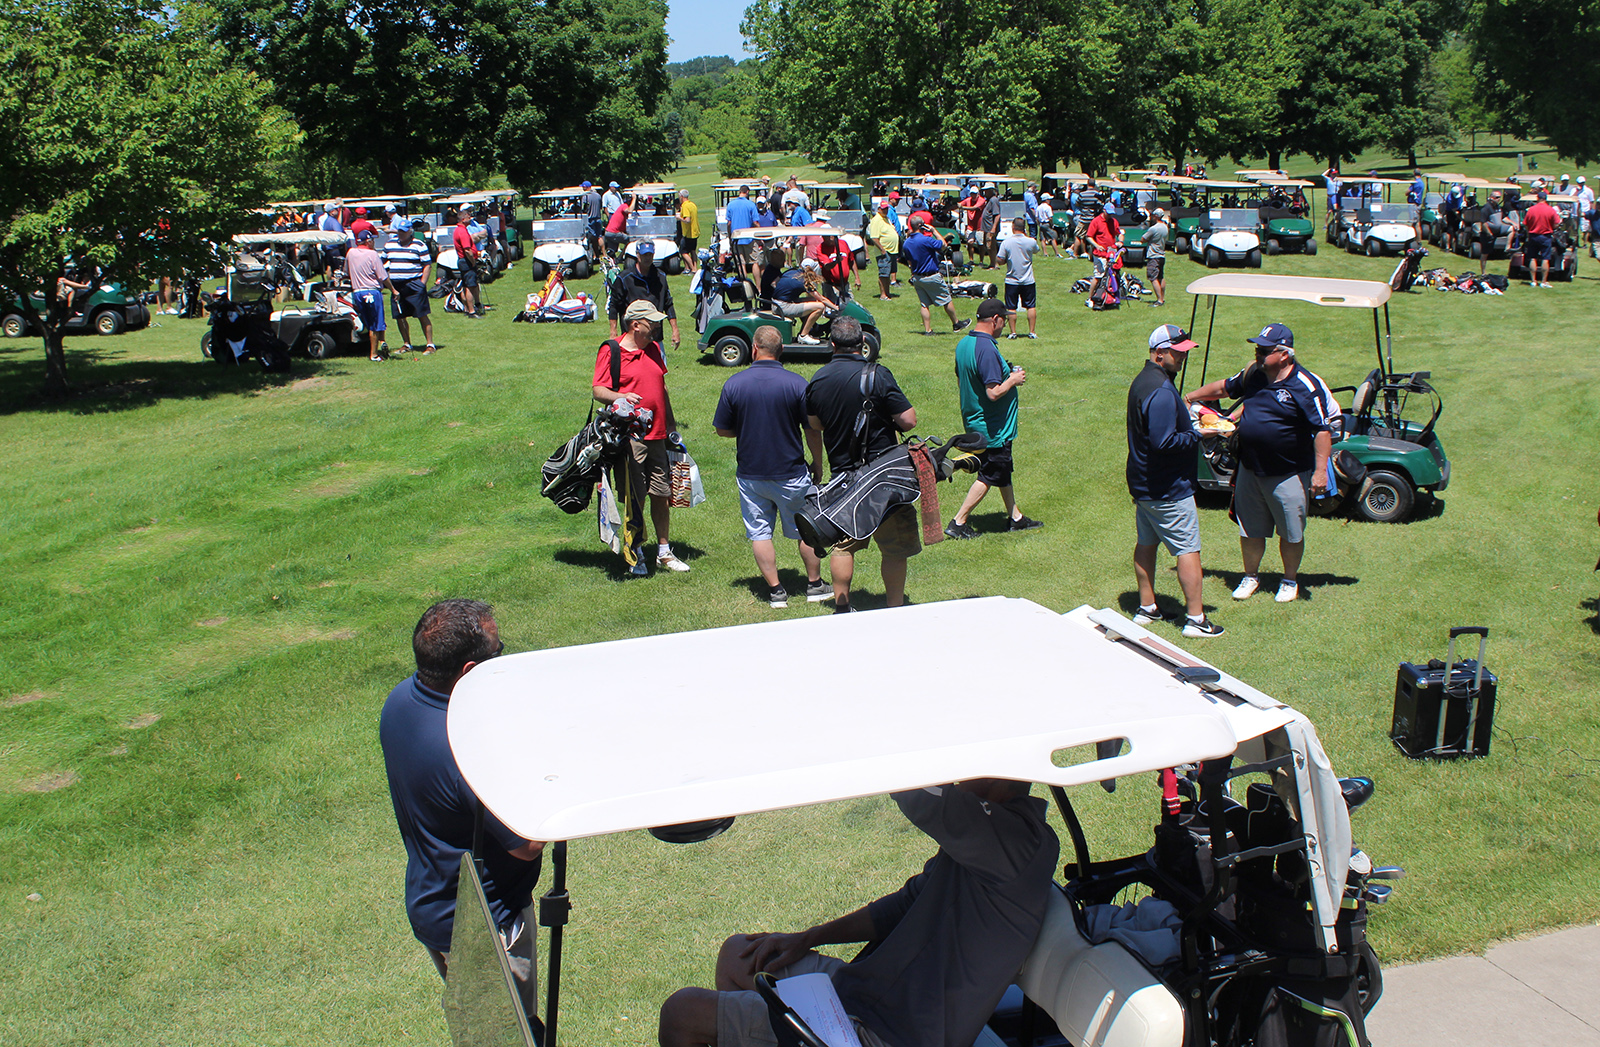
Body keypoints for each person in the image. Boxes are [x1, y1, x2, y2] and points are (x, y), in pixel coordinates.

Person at [657, 778, 1058, 1047]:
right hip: (861, 996)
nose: (953, 778)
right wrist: (808, 937)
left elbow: (921, 796)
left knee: (681, 1014)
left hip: (886, 1034)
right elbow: (904, 904)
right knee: (739, 954)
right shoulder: (987, 840)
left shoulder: (1015, 844)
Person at [379, 599, 544, 1020]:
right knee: (514, 1032)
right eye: (498, 652)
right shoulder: (465, 754)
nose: (503, 658)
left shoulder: (399, 702)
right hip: (484, 927)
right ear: (469, 671)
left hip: (435, 904)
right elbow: (527, 843)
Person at [1184, 323, 1331, 604]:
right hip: (1250, 468)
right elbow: (1224, 388)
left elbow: (1322, 430)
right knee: (1249, 529)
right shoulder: (1254, 373)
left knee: (1291, 531)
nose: (1258, 354)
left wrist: (1321, 472)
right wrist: (1192, 397)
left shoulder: (1305, 385)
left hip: (1288, 472)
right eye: (1257, 348)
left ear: (1285, 354)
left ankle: (1289, 580)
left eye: (1264, 350)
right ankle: (1251, 576)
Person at [805, 316, 919, 611]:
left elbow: (814, 424)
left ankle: (842, 607)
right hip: (884, 477)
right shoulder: (878, 375)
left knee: (843, 546)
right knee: (894, 549)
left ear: (832, 344)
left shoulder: (818, 379)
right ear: (863, 341)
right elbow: (909, 421)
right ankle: (894, 608)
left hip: (843, 477)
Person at [713, 325, 829, 608]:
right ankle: (814, 585)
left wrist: (746, 429)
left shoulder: (734, 383)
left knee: (760, 532)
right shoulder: (797, 383)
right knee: (806, 529)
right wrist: (818, 463)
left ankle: (776, 592)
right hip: (791, 472)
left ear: (754, 348)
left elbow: (723, 430)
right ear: (782, 350)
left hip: (751, 474)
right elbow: (812, 430)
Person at [1127, 325, 1223, 637]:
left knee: (1146, 543)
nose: (1183, 357)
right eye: (1177, 352)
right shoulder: (1162, 391)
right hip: (1168, 487)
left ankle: (1147, 607)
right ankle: (1196, 619)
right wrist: (1198, 433)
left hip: (1144, 483)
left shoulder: (1143, 381)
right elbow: (1164, 441)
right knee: (1188, 549)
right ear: (1160, 353)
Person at [593, 301, 689, 576]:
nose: (657, 327)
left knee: (662, 493)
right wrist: (621, 396)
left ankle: (664, 551)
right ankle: (635, 552)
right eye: (652, 322)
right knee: (635, 497)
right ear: (635, 325)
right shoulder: (611, 350)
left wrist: (670, 424)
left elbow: (662, 387)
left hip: (658, 434)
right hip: (630, 436)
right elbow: (598, 390)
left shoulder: (654, 348)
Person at [945, 299, 1042, 540]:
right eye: (1004, 320)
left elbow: (962, 380)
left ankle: (1016, 518)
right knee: (990, 473)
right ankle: (958, 522)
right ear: (996, 320)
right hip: (993, 427)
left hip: (977, 420)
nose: (1005, 325)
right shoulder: (986, 348)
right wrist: (1013, 380)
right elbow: (993, 392)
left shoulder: (964, 343)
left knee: (1001, 469)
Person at [902, 215, 971, 336]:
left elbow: (909, 261)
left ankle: (928, 330)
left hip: (917, 277)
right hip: (932, 276)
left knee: (924, 304)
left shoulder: (906, 243)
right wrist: (934, 231)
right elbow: (943, 245)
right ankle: (956, 323)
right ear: (920, 226)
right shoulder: (926, 240)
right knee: (946, 299)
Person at [608, 239, 680, 347]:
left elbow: (668, 304)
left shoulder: (660, 277)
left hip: (655, 338)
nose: (647, 258)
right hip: (633, 338)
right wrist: (613, 331)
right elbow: (614, 305)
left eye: (650, 254)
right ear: (637, 255)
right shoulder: (624, 279)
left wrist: (675, 330)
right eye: (644, 254)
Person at [380, 219, 436, 354]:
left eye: (404, 231)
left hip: (414, 283)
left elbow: (427, 265)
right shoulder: (390, 244)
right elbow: (381, 262)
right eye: (399, 231)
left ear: (410, 232)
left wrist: (422, 284)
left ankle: (430, 344)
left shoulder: (419, 245)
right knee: (400, 315)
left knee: (422, 314)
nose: (401, 234)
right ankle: (406, 344)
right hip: (396, 286)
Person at [346, 229, 398, 360]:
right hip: (372, 291)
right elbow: (382, 276)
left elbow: (346, 271)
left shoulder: (350, 253)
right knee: (376, 322)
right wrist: (393, 290)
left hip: (357, 292)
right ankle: (374, 354)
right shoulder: (373, 254)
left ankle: (381, 342)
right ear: (369, 241)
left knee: (368, 322)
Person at [764, 253, 827, 344]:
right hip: (781, 306)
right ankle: (803, 335)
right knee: (820, 306)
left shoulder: (791, 272)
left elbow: (775, 283)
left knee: (812, 302)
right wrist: (836, 307)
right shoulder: (802, 280)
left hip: (777, 303)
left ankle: (812, 329)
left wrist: (787, 293)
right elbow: (821, 299)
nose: (783, 261)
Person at [995, 217, 1039, 339]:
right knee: (1031, 306)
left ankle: (1013, 332)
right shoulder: (1031, 241)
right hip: (1028, 280)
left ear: (1013, 227)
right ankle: (1032, 332)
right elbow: (1036, 250)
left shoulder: (1006, 242)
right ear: (1024, 228)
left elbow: (1000, 259)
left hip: (1012, 280)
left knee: (1011, 307)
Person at [1521, 189, 1561, 288]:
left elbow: (1525, 224)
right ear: (1546, 199)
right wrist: (1551, 227)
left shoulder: (1531, 210)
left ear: (1537, 198)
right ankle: (1543, 281)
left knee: (1532, 257)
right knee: (1545, 258)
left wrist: (1529, 230)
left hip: (1533, 236)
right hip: (1546, 236)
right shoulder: (1550, 210)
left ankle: (1533, 280)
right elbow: (1556, 223)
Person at [867, 199, 900, 300]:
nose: (885, 210)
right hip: (884, 251)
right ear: (878, 209)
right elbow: (874, 237)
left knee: (888, 273)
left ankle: (887, 293)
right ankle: (883, 295)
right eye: (883, 209)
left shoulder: (886, 218)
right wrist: (882, 249)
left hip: (892, 251)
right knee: (884, 274)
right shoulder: (876, 220)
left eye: (886, 209)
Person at [452, 211, 483, 318]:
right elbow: (467, 250)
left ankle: (467, 309)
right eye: (468, 217)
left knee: (465, 285)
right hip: (466, 261)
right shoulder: (462, 232)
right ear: (463, 219)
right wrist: (473, 262)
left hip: (462, 261)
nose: (470, 219)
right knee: (470, 287)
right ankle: (471, 311)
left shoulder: (458, 230)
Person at [725, 185, 759, 269]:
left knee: (740, 263)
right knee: (754, 262)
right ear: (747, 192)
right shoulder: (751, 204)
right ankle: (758, 278)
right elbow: (755, 222)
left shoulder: (730, 205)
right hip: (749, 238)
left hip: (736, 238)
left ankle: (743, 278)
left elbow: (729, 223)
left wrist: (730, 237)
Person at [1142, 207, 1170, 307]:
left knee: (1153, 277)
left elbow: (1143, 239)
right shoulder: (1165, 227)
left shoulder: (1154, 228)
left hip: (1153, 255)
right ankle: (1162, 297)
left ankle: (1159, 300)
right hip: (1162, 255)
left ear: (1156, 216)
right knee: (1160, 277)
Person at [604, 193, 634, 260]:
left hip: (608, 232)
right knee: (630, 241)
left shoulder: (621, 210)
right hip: (613, 232)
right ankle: (620, 257)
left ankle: (612, 262)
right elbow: (630, 210)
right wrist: (634, 199)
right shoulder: (624, 206)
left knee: (612, 251)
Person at [980, 183, 1003, 268]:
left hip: (990, 228)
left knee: (991, 246)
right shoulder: (989, 200)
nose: (985, 192)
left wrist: (993, 228)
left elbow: (997, 215)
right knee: (987, 246)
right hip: (987, 228)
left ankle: (995, 264)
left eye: (986, 191)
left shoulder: (994, 200)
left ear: (990, 191)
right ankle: (992, 263)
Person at [582, 180, 604, 256]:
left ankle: (595, 255)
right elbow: (600, 207)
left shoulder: (585, 196)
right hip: (598, 218)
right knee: (599, 236)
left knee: (592, 238)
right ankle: (604, 254)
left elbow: (583, 209)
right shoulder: (598, 195)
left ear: (586, 187)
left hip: (590, 219)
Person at [677, 190, 700, 261]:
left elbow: (687, 220)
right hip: (695, 232)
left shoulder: (685, 206)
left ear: (681, 196)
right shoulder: (692, 205)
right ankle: (695, 266)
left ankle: (691, 267)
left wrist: (679, 218)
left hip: (688, 233)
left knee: (683, 252)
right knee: (693, 250)